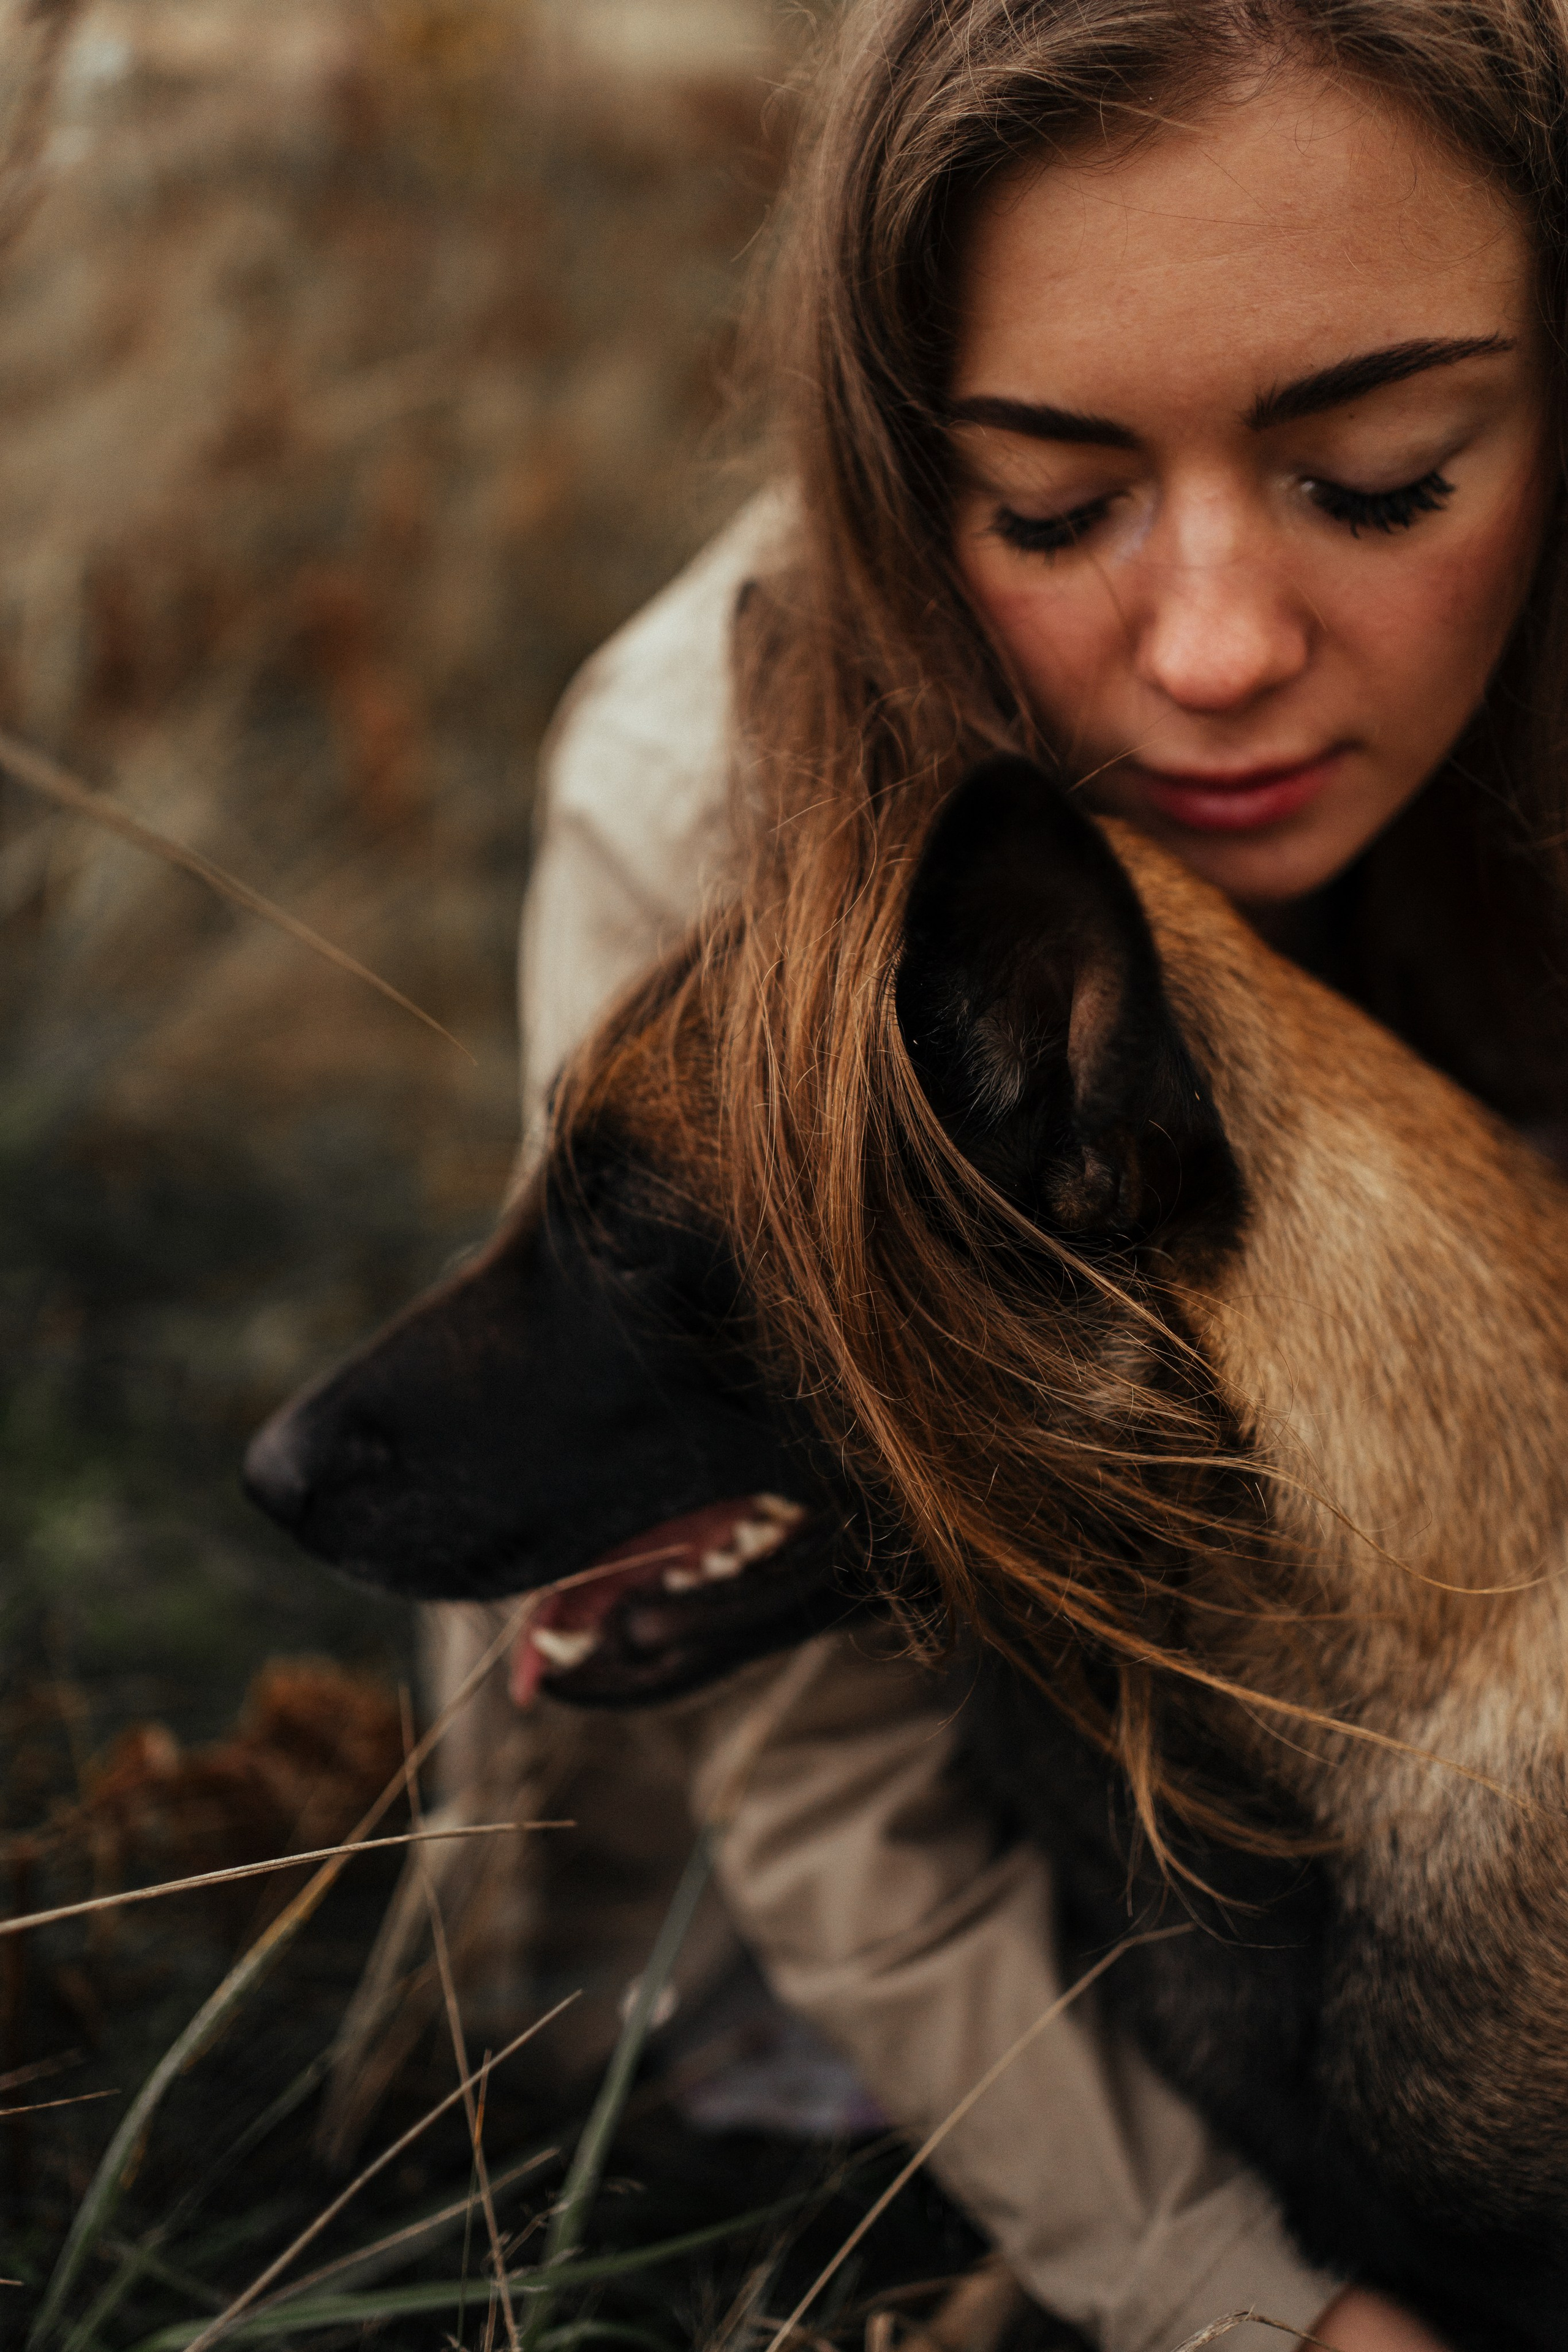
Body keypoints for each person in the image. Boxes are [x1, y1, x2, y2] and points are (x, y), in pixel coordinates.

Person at [453, 4, 1568, 2346]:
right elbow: (808, 1751)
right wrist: (1226, 2309)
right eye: (1050, 509)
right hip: (930, 1927)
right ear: (890, 460)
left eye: (1379, 475)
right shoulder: (705, 792)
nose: (1216, 650)